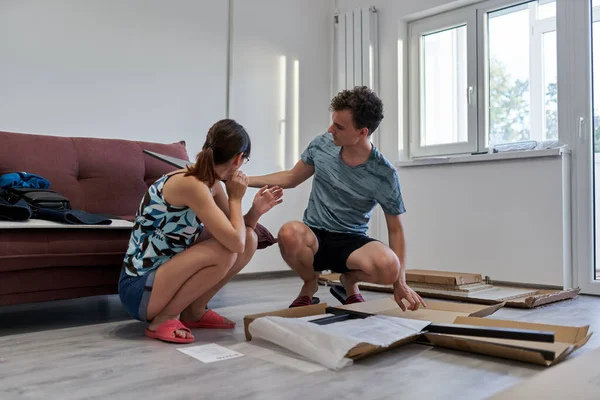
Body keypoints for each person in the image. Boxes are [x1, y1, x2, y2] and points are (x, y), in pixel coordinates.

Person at [248, 86, 426, 312]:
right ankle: (309, 284)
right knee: (288, 233)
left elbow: (396, 229)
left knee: (390, 267)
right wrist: (245, 180)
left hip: (351, 241)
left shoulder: (384, 173)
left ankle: (349, 282)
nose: (330, 129)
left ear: (362, 132)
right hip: (314, 234)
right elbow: (291, 178)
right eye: (333, 122)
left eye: (339, 126)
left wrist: (400, 283)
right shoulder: (322, 144)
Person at [119, 119, 283, 344]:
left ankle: (193, 312)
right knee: (225, 251)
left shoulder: (211, 183)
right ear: (238, 159)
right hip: (138, 290)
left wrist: (256, 211)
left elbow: (239, 234)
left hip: (161, 282)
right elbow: (234, 243)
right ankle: (163, 319)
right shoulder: (191, 184)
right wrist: (236, 197)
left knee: (251, 238)